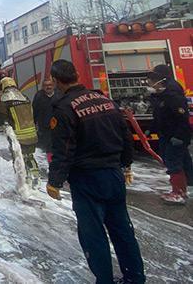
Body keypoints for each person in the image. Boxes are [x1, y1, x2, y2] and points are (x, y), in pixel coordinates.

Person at [47, 59, 145, 284]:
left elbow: (64, 149)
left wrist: (55, 181)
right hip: (113, 174)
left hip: (87, 178)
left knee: (93, 235)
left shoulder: (65, 108)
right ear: (77, 75)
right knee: (123, 230)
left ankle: (104, 280)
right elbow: (125, 136)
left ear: (55, 80)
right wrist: (127, 164)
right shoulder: (105, 100)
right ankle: (135, 278)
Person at [147, 64, 193, 204]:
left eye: (152, 79)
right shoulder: (162, 95)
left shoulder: (172, 95)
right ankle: (183, 190)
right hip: (167, 134)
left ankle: (178, 193)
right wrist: (151, 129)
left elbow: (182, 118)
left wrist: (179, 136)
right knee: (181, 162)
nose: (150, 83)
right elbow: (160, 116)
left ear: (161, 79)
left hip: (174, 136)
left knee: (173, 162)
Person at [0, 77, 40, 186]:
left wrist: (0, 126)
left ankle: (23, 183)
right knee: (30, 156)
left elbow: (1, 118)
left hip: (17, 136)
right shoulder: (24, 97)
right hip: (32, 134)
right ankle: (35, 177)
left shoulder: (5, 99)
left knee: (18, 159)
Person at [32, 79, 59, 156]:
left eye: (50, 85)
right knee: (48, 147)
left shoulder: (59, 95)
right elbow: (35, 110)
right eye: (46, 85)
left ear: (53, 86)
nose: (48, 87)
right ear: (43, 87)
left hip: (59, 125)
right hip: (45, 126)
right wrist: (34, 122)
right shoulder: (39, 96)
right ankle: (51, 162)